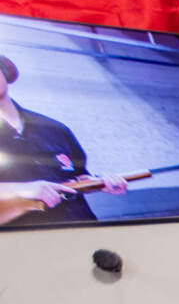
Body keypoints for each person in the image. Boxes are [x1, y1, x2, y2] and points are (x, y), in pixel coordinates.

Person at [0, 53, 126, 226]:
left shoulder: (54, 128)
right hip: (23, 239)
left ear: (5, 73)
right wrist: (23, 189)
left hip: (83, 228)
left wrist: (101, 182)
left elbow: (77, 176)